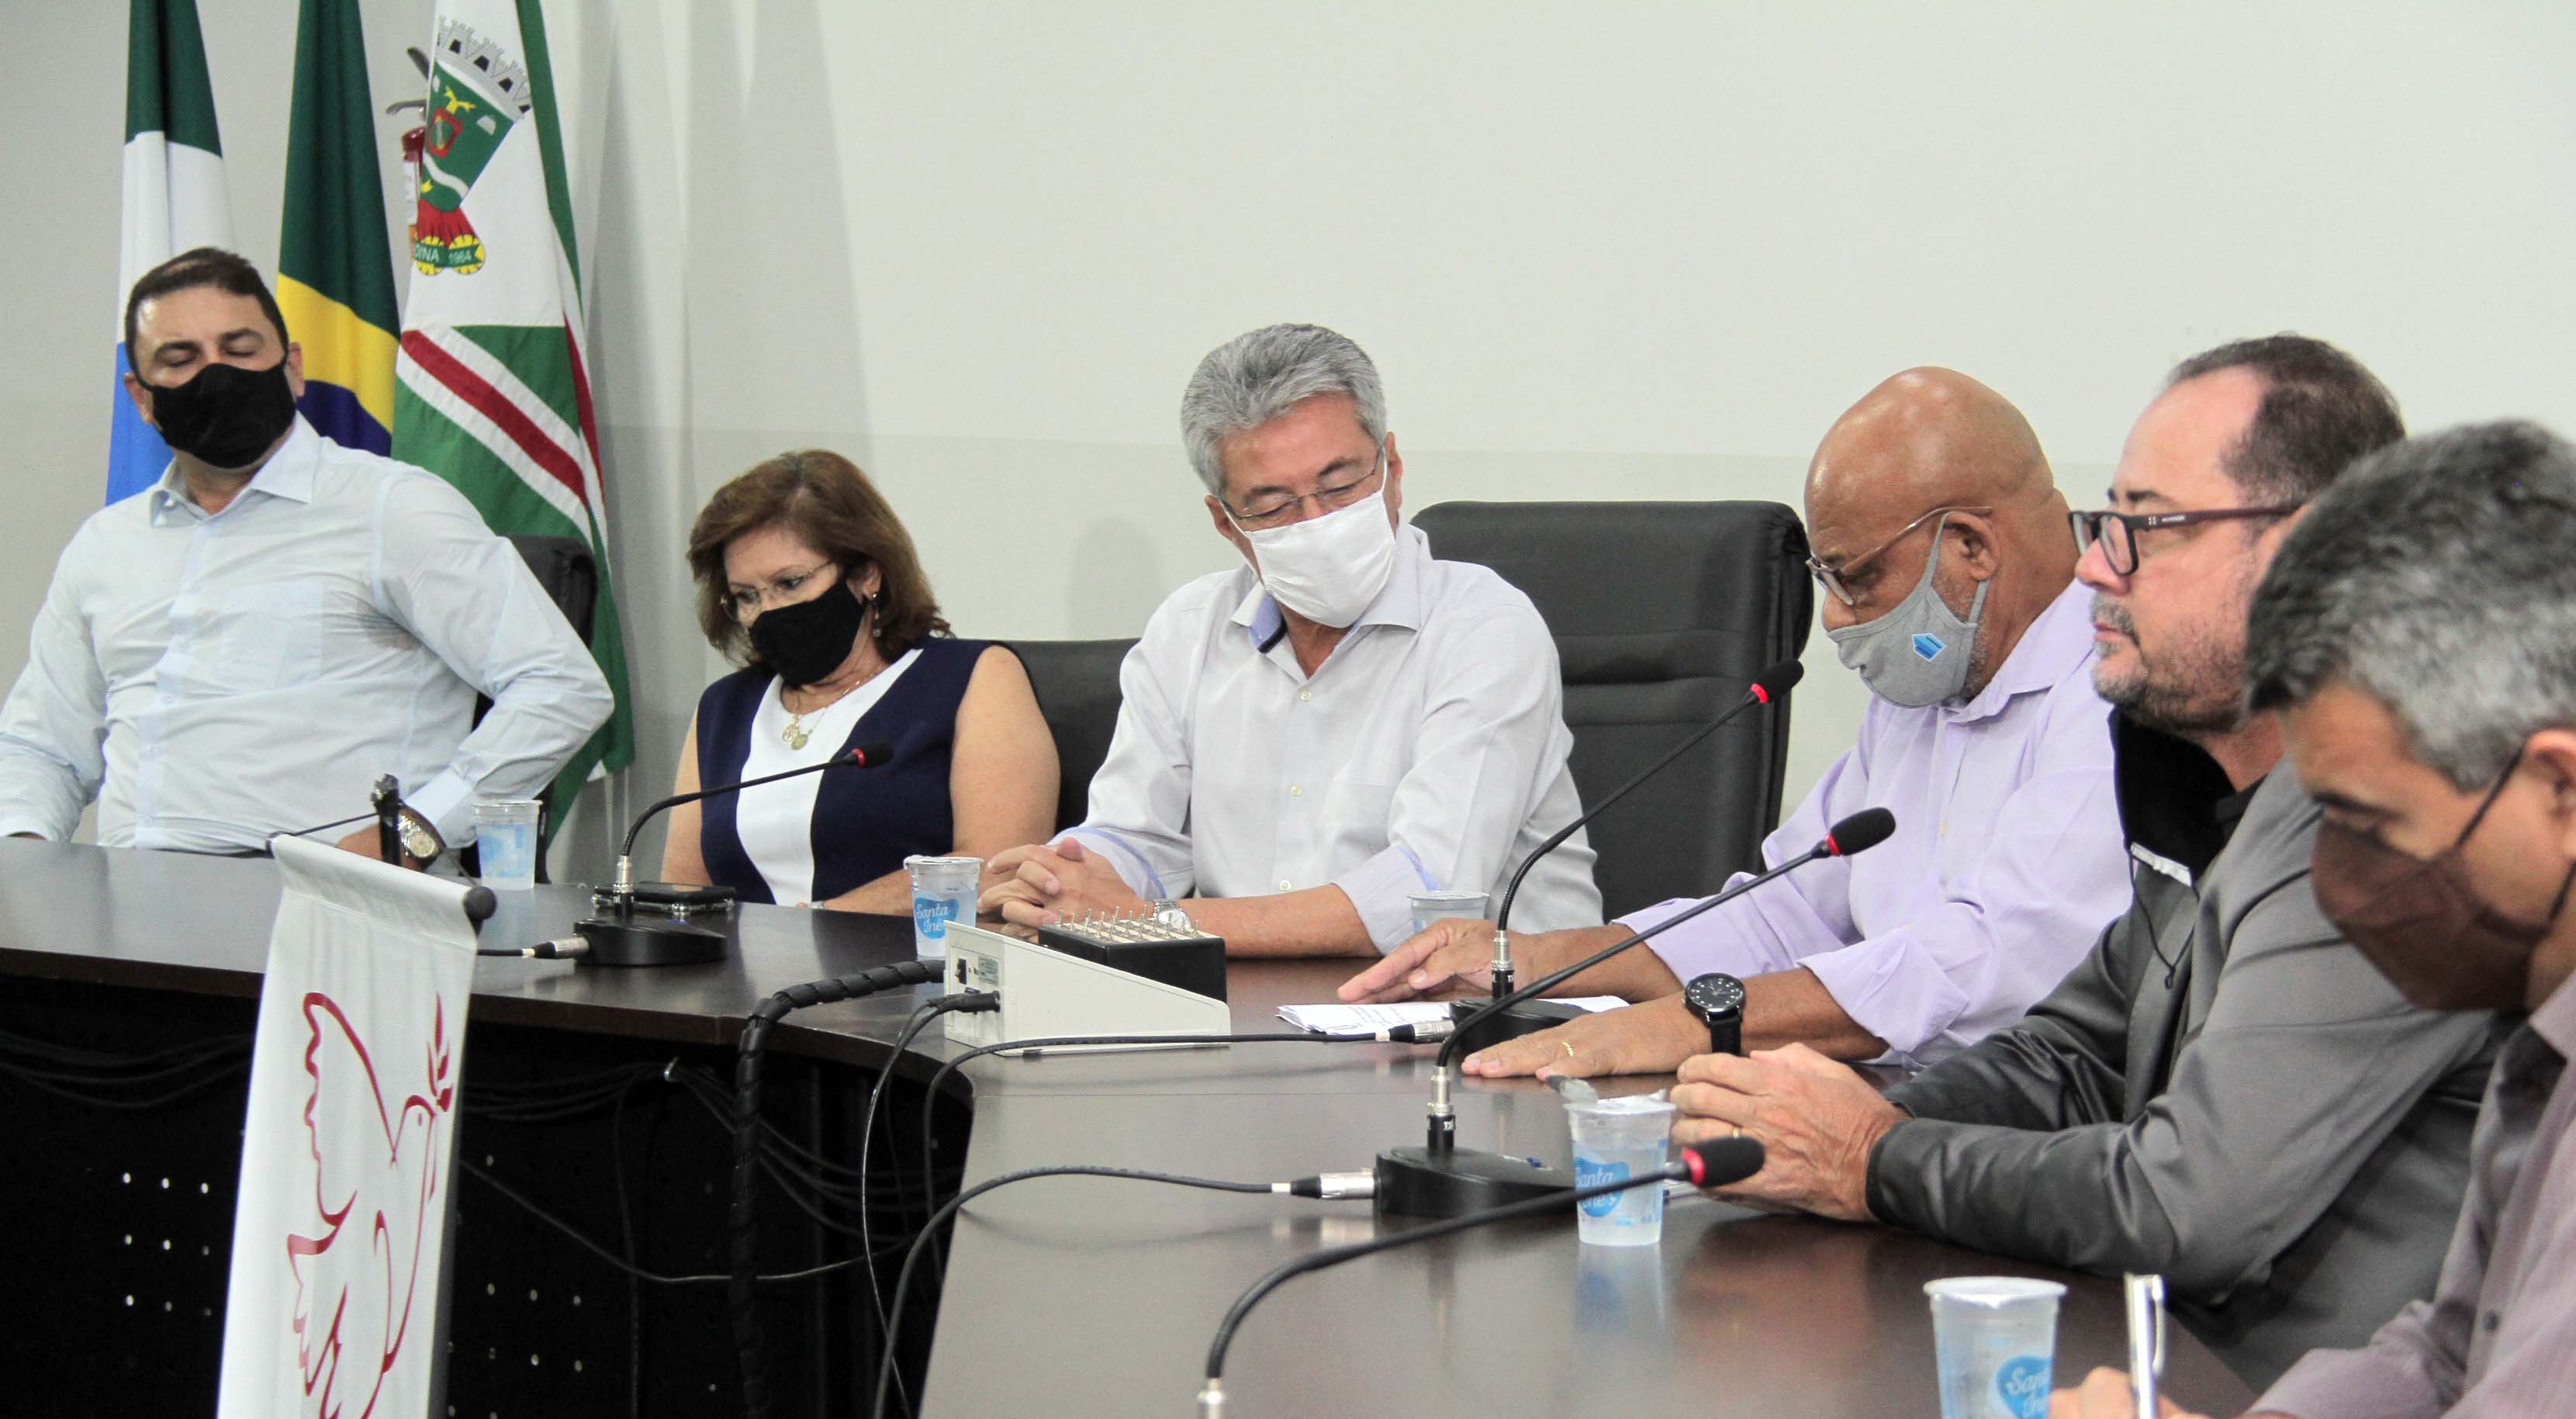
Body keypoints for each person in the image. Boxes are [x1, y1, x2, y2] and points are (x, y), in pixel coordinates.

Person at [1718, 421, 2576, 1419]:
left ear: (2566, 789)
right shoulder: (2575, 986)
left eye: (2366, 826)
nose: (2332, 885)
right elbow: (2459, 1354)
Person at [1671, 337, 2503, 1387]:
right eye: (2107, 523)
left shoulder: (2389, 826)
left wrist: (1870, 1160)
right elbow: (2070, 1057)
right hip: (2176, 1377)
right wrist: (1813, 1129)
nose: (2095, 566)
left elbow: (2185, 1201)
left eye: (2147, 528)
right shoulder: (2195, 786)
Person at [1340, 368, 2130, 1077]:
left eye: (1855, 579)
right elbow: (1784, 912)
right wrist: (1537, 961)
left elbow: (1991, 961)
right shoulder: (1927, 690)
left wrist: (1694, 1027)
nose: (1834, 617)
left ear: (1971, 547)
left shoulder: (2117, 696)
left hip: (2033, 1134)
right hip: (1889, 1098)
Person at [979, 324, 1600, 955]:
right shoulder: (1188, 629)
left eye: (1340, 485)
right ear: (1226, 522)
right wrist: (1060, 883)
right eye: (1274, 505)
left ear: (1393, 470)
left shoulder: (1483, 626)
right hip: (1252, 1008)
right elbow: (1138, 839)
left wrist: (1142, 922)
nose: (1319, 522)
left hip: (1492, 1020)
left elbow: (1427, 898)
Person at [0, 247, 610, 864]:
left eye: (240, 350)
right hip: (125, 902)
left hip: (325, 899)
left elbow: (561, 687)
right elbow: (43, 746)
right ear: (142, 397)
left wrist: (414, 830)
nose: (216, 375)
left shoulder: (393, 509)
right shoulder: (106, 545)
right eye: (180, 359)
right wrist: (24, 861)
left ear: (292, 368)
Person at [661, 452, 1057, 911]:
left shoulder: (972, 677)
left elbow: (996, 869)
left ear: (866, 572)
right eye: (747, 596)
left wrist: (819, 927)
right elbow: (682, 898)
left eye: (790, 584)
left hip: (909, 971)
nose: (768, 612)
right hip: (741, 978)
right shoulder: (725, 708)